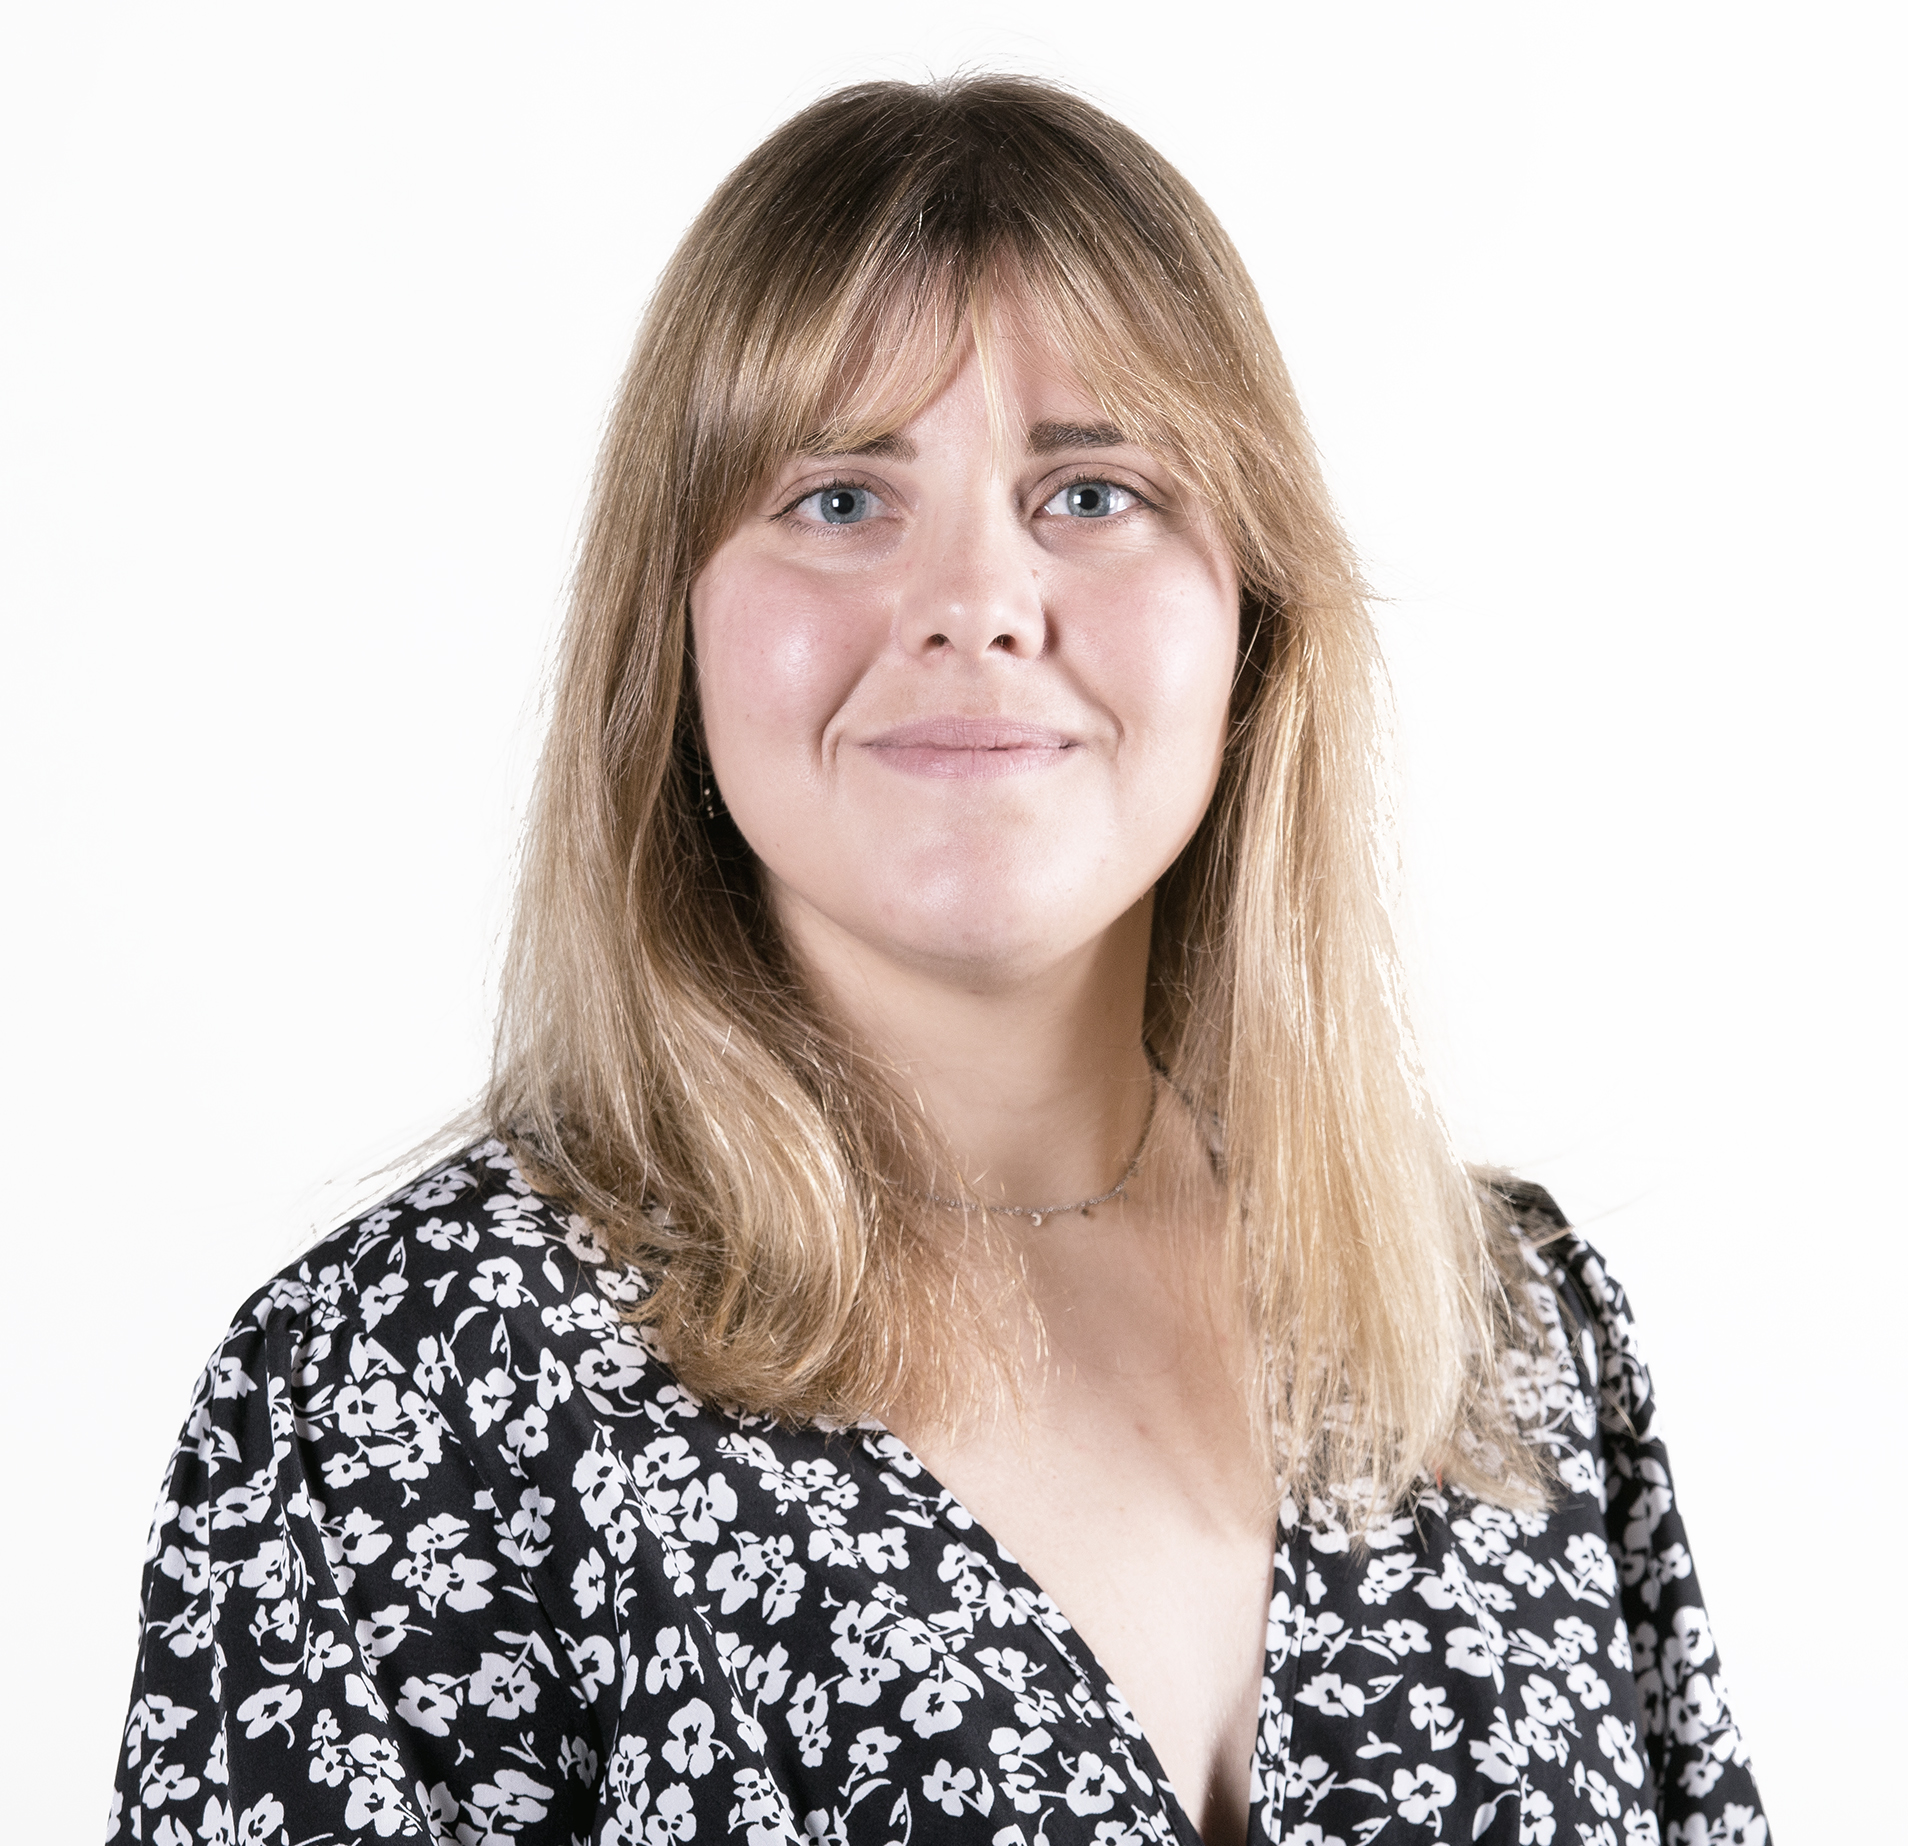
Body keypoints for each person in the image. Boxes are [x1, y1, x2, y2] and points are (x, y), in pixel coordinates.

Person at [108, 76, 1767, 1846]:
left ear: (1255, 615)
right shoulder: (402, 1390)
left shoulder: (1505, 1329)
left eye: (1095, 491)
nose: (976, 600)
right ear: (673, 628)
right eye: (838, 498)